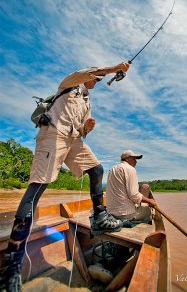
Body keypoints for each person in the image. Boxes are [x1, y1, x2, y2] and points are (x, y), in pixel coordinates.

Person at [0, 62, 130, 292]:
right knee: (37, 188)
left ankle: (99, 217)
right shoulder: (70, 83)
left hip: (73, 140)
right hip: (53, 135)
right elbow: (90, 72)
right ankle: (11, 268)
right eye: (96, 77)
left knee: (97, 169)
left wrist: (87, 128)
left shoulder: (87, 102)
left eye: (98, 80)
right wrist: (115, 67)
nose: (96, 81)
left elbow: (80, 130)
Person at [106, 150, 157, 224]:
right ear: (127, 159)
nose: (136, 161)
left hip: (111, 213)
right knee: (148, 210)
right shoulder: (130, 169)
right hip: (124, 215)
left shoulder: (112, 169)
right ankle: (141, 227)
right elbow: (134, 195)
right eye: (134, 159)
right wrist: (150, 201)